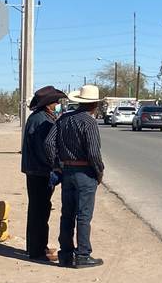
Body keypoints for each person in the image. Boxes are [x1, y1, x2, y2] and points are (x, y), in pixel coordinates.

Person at [44, 85, 105, 268]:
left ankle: (65, 255)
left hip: (67, 172)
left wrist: (57, 164)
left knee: (67, 215)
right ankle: (83, 255)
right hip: (85, 172)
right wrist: (99, 172)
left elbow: (48, 143)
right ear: (94, 104)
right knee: (83, 216)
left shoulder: (63, 119)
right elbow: (94, 153)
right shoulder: (89, 122)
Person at [21, 85, 67, 262]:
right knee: (40, 210)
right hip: (40, 171)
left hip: (34, 170)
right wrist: (56, 166)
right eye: (54, 101)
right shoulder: (43, 120)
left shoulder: (37, 117)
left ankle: (36, 246)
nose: (56, 104)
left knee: (37, 210)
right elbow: (46, 148)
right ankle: (37, 251)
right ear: (48, 103)